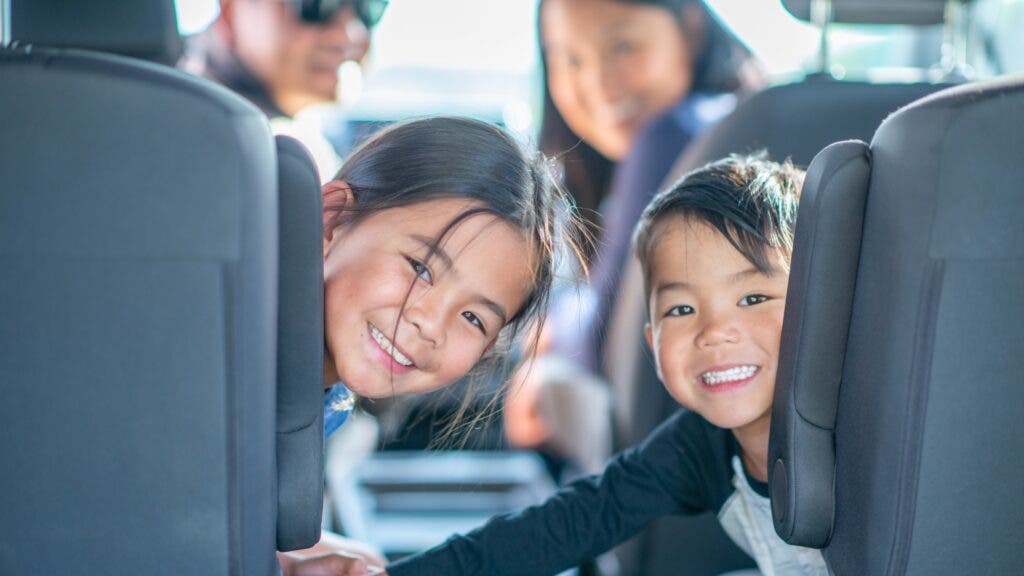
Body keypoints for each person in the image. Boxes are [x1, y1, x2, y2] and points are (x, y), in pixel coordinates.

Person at [314, 153, 826, 576]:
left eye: (755, 298)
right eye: (681, 309)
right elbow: (564, 527)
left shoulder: (859, 431)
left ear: (818, 308)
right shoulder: (699, 447)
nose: (715, 332)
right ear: (652, 342)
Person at [276, 116, 587, 576]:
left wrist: (287, 559)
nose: (429, 324)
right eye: (420, 268)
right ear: (332, 221)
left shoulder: (320, 396)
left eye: (472, 318)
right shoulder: (234, 370)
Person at [505, 0, 763, 467]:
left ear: (691, 27)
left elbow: (600, 340)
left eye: (622, 46)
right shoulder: (748, 118)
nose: (598, 83)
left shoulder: (670, 136)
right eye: (570, 59)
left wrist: (548, 339)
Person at [181, 0, 388, 178]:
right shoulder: (186, 131)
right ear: (231, 13)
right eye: (314, 4)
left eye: (369, 6)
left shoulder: (300, 134)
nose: (350, 35)